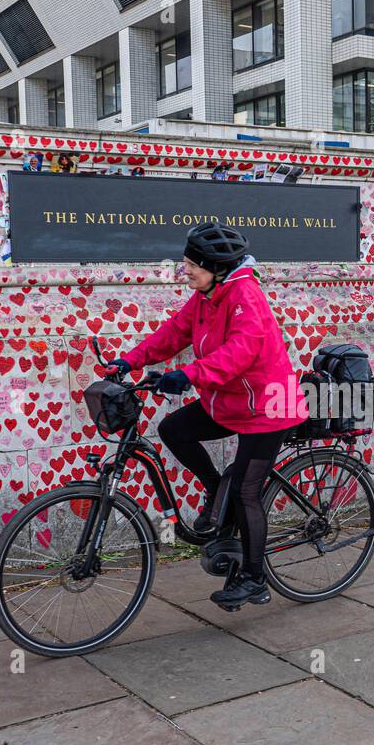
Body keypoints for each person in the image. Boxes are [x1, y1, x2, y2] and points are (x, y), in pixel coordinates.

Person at [104, 223, 307, 609]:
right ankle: (217, 490)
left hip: (269, 407)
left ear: (215, 267)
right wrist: (129, 360)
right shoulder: (207, 295)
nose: (185, 272)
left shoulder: (245, 295)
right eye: (184, 264)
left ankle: (253, 578)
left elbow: (241, 350)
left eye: (191, 266)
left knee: (248, 492)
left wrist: (189, 374)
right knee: (174, 429)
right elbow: (174, 332)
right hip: (231, 402)